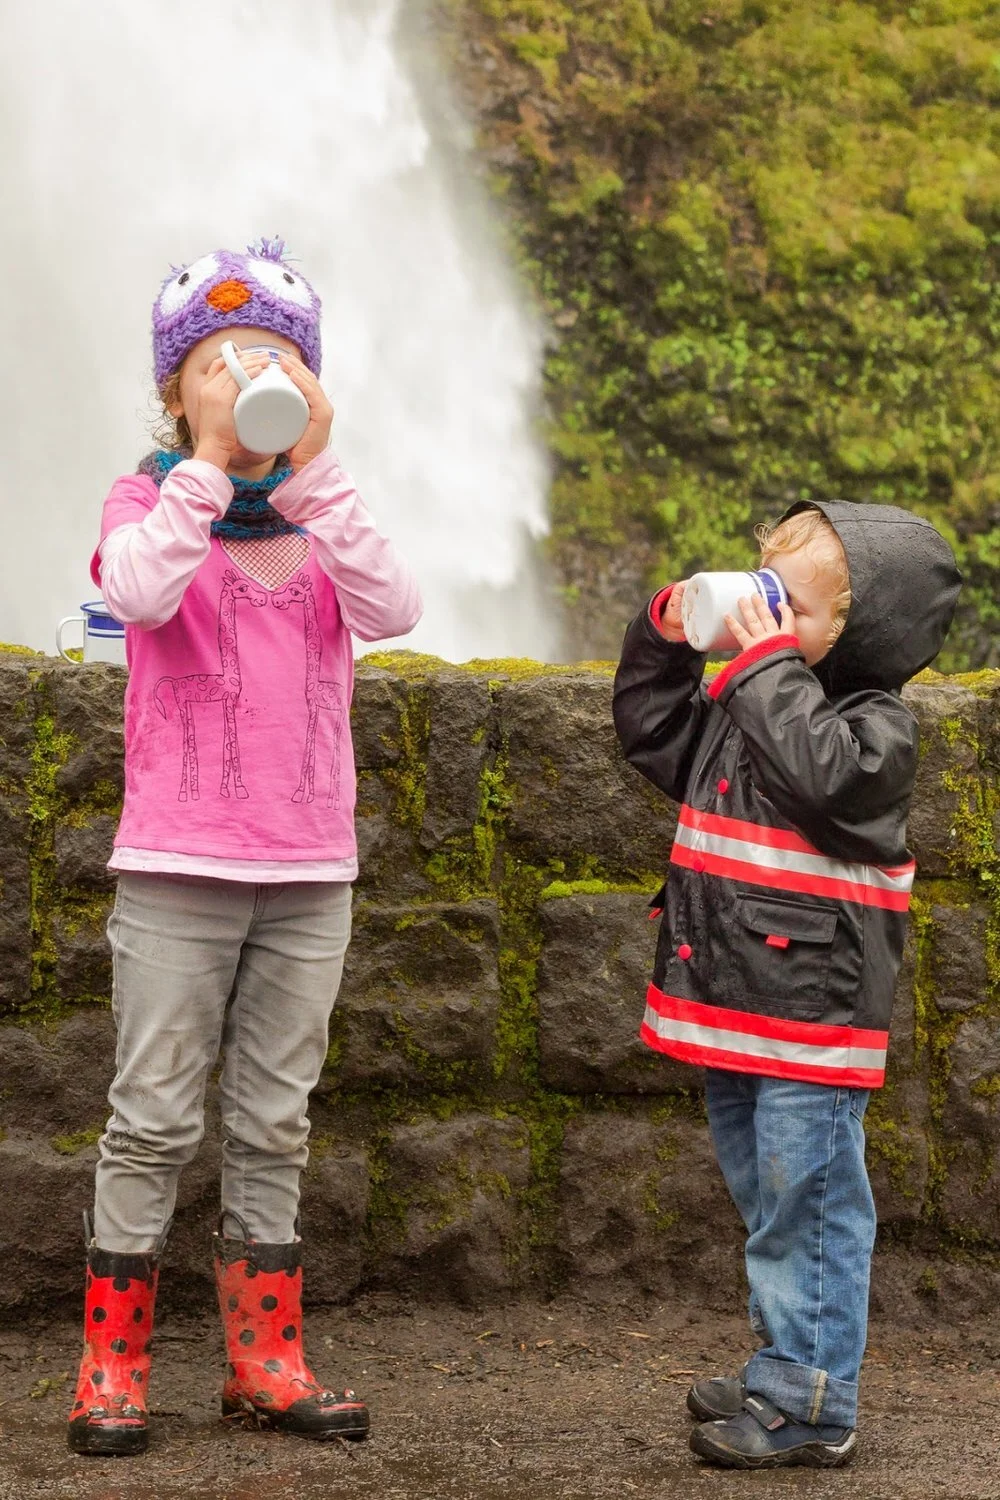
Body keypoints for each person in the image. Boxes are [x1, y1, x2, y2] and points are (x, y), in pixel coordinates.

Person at [68, 239, 422, 1457]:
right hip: (178, 863)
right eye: (219, 363)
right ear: (174, 394)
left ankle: (265, 1360)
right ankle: (111, 1369)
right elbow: (139, 592)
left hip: (309, 868)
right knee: (152, 1118)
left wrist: (316, 468)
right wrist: (210, 465)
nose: (248, 377)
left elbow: (398, 608)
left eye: (274, 360)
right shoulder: (148, 500)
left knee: (275, 1120)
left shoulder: (326, 520)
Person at [613, 502, 960, 1470]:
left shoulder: (873, 729)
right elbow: (647, 730)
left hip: (810, 1016)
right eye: (760, 591)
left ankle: (811, 1396)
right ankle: (786, 1360)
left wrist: (757, 669)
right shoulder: (749, 705)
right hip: (741, 1006)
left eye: (790, 609)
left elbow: (820, 776)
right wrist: (663, 630)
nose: (765, 620)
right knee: (770, 1197)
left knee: (807, 1200)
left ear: (863, 631)